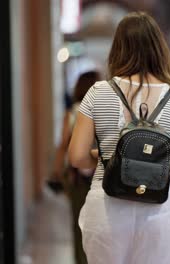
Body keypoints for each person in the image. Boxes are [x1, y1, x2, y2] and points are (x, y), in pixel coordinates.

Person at [68, 12, 170, 264]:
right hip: (158, 212)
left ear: (118, 49)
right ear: (159, 49)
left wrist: (105, 158)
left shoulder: (98, 92)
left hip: (106, 209)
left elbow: (76, 157)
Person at [52, 70, 99, 264]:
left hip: (77, 177)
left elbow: (64, 144)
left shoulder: (72, 112)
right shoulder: (103, 110)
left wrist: (56, 171)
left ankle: (81, 260)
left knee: (79, 224)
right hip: (101, 176)